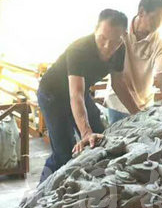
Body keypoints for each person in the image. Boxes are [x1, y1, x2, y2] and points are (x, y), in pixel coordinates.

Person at [37, 9, 141, 181]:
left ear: (123, 36)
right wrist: (86, 133)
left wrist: (138, 113)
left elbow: (119, 84)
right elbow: (75, 94)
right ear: (95, 30)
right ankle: (43, 191)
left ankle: (96, 184)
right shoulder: (79, 50)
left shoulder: (120, 49)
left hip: (80, 92)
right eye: (102, 38)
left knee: (102, 141)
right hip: (53, 95)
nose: (107, 46)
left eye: (114, 42)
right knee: (65, 151)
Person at [103, 0, 162, 124]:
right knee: (119, 136)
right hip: (118, 102)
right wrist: (137, 113)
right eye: (156, 18)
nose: (159, 24)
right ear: (141, 12)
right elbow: (117, 81)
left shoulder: (158, 41)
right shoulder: (120, 33)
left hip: (144, 104)